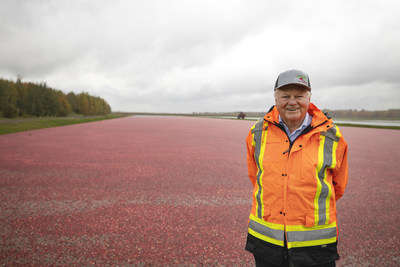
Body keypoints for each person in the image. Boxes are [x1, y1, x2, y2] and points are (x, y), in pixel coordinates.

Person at [244, 69, 348, 267]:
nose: (292, 102)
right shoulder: (257, 132)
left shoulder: (331, 136)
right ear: (276, 98)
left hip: (316, 246)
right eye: (285, 96)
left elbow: (338, 187)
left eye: (299, 96)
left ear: (309, 98)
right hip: (267, 242)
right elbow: (255, 176)